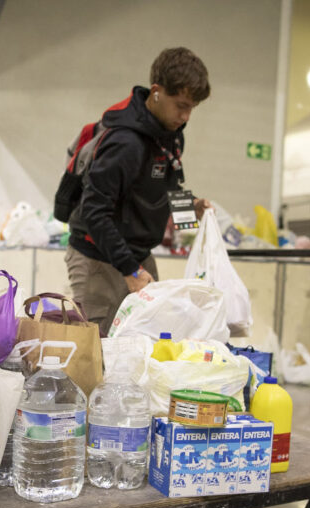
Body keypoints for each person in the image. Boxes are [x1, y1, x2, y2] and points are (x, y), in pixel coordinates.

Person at [64, 47, 212, 336]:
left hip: (138, 257)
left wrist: (191, 209)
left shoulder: (170, 135)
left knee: (148, 346)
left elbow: (168, 185)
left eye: (192, 107)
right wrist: (130, 271)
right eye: (181, 105)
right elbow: (95, 212)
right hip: (99, 260)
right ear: (156, 91)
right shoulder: (124, 142)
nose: (186, 116)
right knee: (98, 356)